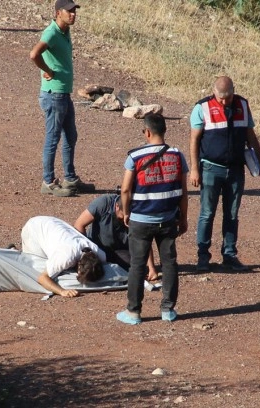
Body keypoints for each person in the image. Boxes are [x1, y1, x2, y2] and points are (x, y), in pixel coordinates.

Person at [116, 113, 188, 325]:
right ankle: (167, 309)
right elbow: (183, 192)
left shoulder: (135, 157)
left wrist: (127, 211)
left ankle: (134, 312)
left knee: (137, 265)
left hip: (141, 219)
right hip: (168, 219)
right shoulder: (177, 155)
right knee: (170, 263)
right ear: (164, 130)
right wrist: (183, 218)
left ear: (147, 132)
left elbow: (126, 189)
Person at [188, 75, 260, 272]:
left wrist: (259, 158)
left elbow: (250, 135)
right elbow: (194, 140)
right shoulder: (202, 107)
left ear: (233, 92)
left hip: (236, 170)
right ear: (214, 93)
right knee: (207, 213)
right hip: (210, 168)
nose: (224, 101)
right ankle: (203, 256)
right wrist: (194, 169)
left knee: (232, 214)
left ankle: (229, 254)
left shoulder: (243, 105)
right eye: (220, 98)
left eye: (228, 97)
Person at [29, 0, 92, 197]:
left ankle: (70, 179)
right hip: (53, 95)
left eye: (75, 11)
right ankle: (48, 182)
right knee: (53, 138)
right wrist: (47, 70)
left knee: (70, 136)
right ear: (58, 13)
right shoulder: (52, 32)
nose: (73, 14)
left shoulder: (64, 31)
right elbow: (34, 54)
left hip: (63, 94)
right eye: (69, 11)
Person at [73, 193, 159, 280]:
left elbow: (143, 239)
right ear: (117, 206)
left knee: (138, 269)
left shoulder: (136, 212)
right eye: (122, 218)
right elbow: (79, 224)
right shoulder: (103, 203)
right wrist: (85, 254)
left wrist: (152, 268)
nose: (125, 221)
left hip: (120, 251)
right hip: (97, 249)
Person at [21, 215, 105, 297]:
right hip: (34, 229)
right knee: (34, 265)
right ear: (79, 266)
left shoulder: (100, 254)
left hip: (52, 223)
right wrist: (62, 291)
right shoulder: (65, 257)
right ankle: (12, 253)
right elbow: (42, 278)